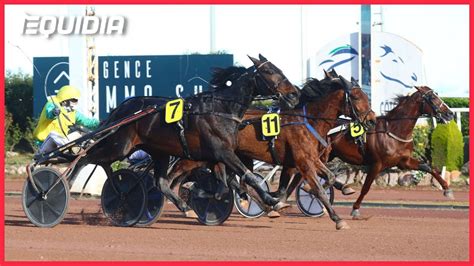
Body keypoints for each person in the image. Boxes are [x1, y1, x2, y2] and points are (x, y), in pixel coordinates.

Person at [33, 85, 100, 154]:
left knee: (79, 134)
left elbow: (88, 122)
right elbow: (49, 113)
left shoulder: (73, 113)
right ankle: (70, 148)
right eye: (74, 100)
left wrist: (102, 123)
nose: (76, 102)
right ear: (65, 100)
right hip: (43, 143)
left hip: (60, 143)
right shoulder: (52, 104)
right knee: (53, 135)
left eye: (76, 100)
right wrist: (53, 112)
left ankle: (76, 150)